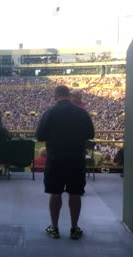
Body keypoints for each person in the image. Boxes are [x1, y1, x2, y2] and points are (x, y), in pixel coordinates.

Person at [36, 85, 95, 240]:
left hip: (55, 159)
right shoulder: (82, 113)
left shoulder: (49, 113)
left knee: (55, 193)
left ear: (56, 96)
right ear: (68, 95)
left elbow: (40, 136)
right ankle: (74, 228)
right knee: (75, 193)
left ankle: (54, 228)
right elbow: (91, 134)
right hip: (76, 159)